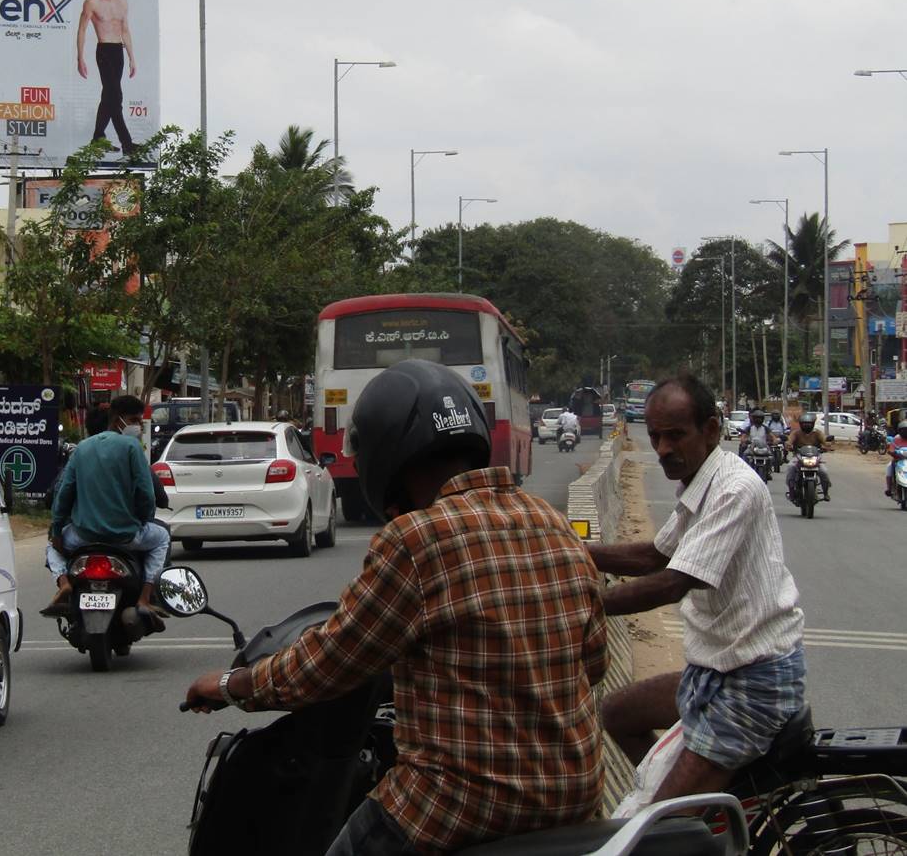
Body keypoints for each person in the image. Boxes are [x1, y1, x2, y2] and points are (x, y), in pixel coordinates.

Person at [182, 360, 608, 854]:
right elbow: (594, 663)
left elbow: (330, 661)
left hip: (458, 806)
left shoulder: (415, 537)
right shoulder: (551, 521)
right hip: (575, 799)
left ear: (384, 454)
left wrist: (231, 685)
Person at [590, 374, 805, 805]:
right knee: (616, 713)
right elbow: (653, 555)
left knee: (661, 822)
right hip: (712, 672)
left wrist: (582, 604)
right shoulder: (699, 485)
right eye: (655, 436)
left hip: (752, 684)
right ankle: (695, 809)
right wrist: (569, 550)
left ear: (710, 430)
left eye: (675, 435)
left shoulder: (734, 488)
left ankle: (678, 816)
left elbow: (674, 582)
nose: (662, 449)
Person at [43, 394, 170, 617]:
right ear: (117, 419)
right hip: (126, 536)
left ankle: (63, 583)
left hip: (83, 537)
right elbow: (147, 494)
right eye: (134, 420)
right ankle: (145, 598)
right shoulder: (132, 447)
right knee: (162, 538)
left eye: (140, 421)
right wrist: (142, 520)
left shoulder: (82, 449)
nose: (139, 426)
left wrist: (56, 530)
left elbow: (64, 495)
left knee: (52, 545)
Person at [76, 0, 138, 156]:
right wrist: (80, 58)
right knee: (115, 97)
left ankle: (98, 139)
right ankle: (127, 144)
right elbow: (82, 30)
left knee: (109, 98)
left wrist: (132, 58)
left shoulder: (123, 3)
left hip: (118, 51)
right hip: (104, 50)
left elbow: (125, 31)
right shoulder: (92, 1)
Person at [785, 413, 831, 502]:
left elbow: (825, 441)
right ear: (801, 424)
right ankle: (791, 491)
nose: (807, 425)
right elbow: (789, 441)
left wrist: (827, 445)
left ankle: (825, 493)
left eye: (809, 424)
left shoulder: (817, 433)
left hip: (815, 458)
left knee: (824, 471)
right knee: (790, 467)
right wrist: (788, 445)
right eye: (804, 424)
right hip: (799, 457)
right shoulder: (796, 433)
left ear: (813, 424)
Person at [886, 421, 907, 497]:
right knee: (889, 468)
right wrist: (892, 452)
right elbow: (891, 448)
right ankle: (889, 489)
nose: (905, 432)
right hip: (898, 459)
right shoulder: (896, 438)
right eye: (903, 430)